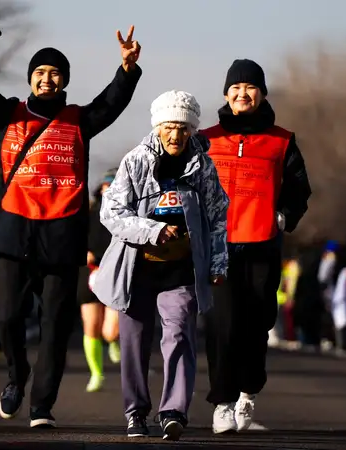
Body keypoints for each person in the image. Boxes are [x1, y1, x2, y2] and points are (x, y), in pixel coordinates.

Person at [0, 18, 142, 428]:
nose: (47, 79)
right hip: (14, 228)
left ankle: (42, 405)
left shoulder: (79, 120)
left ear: (64, 82)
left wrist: (127, 68)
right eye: (40, 73)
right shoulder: (8, 114)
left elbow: (110, 102)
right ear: (32, 79)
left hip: (61, 233)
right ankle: (16, 376)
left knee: (56, 325)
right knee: (5, 314)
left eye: (55, 73)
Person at [94, 90, 229, 441]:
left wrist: (217, 262)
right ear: (157, 127)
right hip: (137, 266)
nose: (175, 135)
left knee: (180, 334)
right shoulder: (136, 161)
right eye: (169, 127)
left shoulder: (202, 166)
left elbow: (217, 218)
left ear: (192, 131)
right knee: (134, 342)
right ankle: (136, 412)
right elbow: (111, 213)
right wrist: (153, 230)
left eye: (183, 128)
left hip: (181, 269)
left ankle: (173, 412)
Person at [200, 59, 311, 434]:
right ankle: (223, 402)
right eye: (236, 88)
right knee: (221, 325)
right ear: (226, 94)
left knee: (256, 325)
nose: (242, 94)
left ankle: (248, 391)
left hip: (262, 245)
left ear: (262, 94)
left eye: (250, 88)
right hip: (219, 249)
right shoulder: (206, 138)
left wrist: (284, 215)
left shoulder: (282, 139)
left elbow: (299, 189)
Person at [77, 169, 121, 393]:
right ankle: (96, 373)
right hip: (89, 272)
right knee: (91, 326)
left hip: (115, 272)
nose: (109, 190)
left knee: (110, 331)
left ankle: (114, 340)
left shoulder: (125, 213)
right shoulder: (88, 212)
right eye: (106, 186)